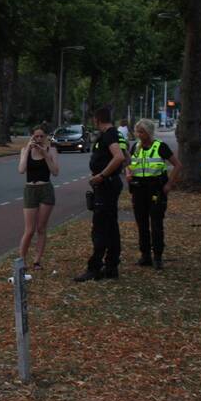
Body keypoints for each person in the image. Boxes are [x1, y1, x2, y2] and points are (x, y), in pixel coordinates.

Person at [75, 107, 126, 282]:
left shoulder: (110, 134)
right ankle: (111, 266)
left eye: (93, 120)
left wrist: (102, 175)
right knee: (110, 226)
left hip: (106, 186)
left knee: (100, 227)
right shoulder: (111, 135)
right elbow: (124, 156)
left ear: (97, 119)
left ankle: (95, 267)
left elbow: (119, 157)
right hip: (107, 186)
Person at [126, 118, 182, 270]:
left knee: (156, 224)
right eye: (137, 131)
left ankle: (158, 256)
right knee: (141, 224)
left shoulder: (160, 147)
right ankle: (145, 256)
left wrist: (169, 183)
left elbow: (177, 165)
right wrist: (128, 173)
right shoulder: (135, 147)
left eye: (142, 131)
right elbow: (130, 164)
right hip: (138, 189)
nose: (139, 134)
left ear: (149, 132)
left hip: (155, 189)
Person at [18, 125, 60, 272]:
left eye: (42, 136)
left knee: (41, 228)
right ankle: (21, 260)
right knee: (29, 230)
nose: (39, 139)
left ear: (46, 137)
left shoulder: (51, 150)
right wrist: (28, 150)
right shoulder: (25, 150)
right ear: (32, 137)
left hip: (45, 189)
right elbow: (21, 170)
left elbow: (55, 172)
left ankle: (37, 261)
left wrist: (45, 155)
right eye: (36, 136)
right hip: (30, 190)